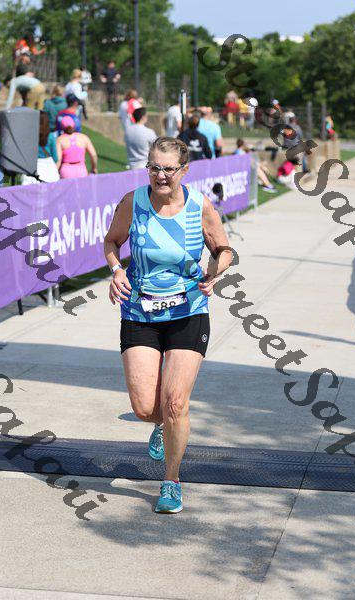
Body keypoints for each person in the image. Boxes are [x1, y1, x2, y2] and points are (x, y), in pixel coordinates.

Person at [103, 136, 233, 513]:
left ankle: (171, 481)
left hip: (188, 311)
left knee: (175, 402)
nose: (160, 176)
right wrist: (116, 270)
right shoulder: (133, 202)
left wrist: (215, 270)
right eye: (154, 168)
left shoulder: (200, 206)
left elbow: (224, 249)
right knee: (146, 407)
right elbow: (111, 241)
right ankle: (160, 424)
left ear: (184, 170)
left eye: (168, 169)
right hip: (140, 311)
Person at [21, 111, 59, 185]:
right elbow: (55, 158)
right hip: (49, 170)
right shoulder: (51, 136)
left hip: (33, 169)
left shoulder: (28, 136)